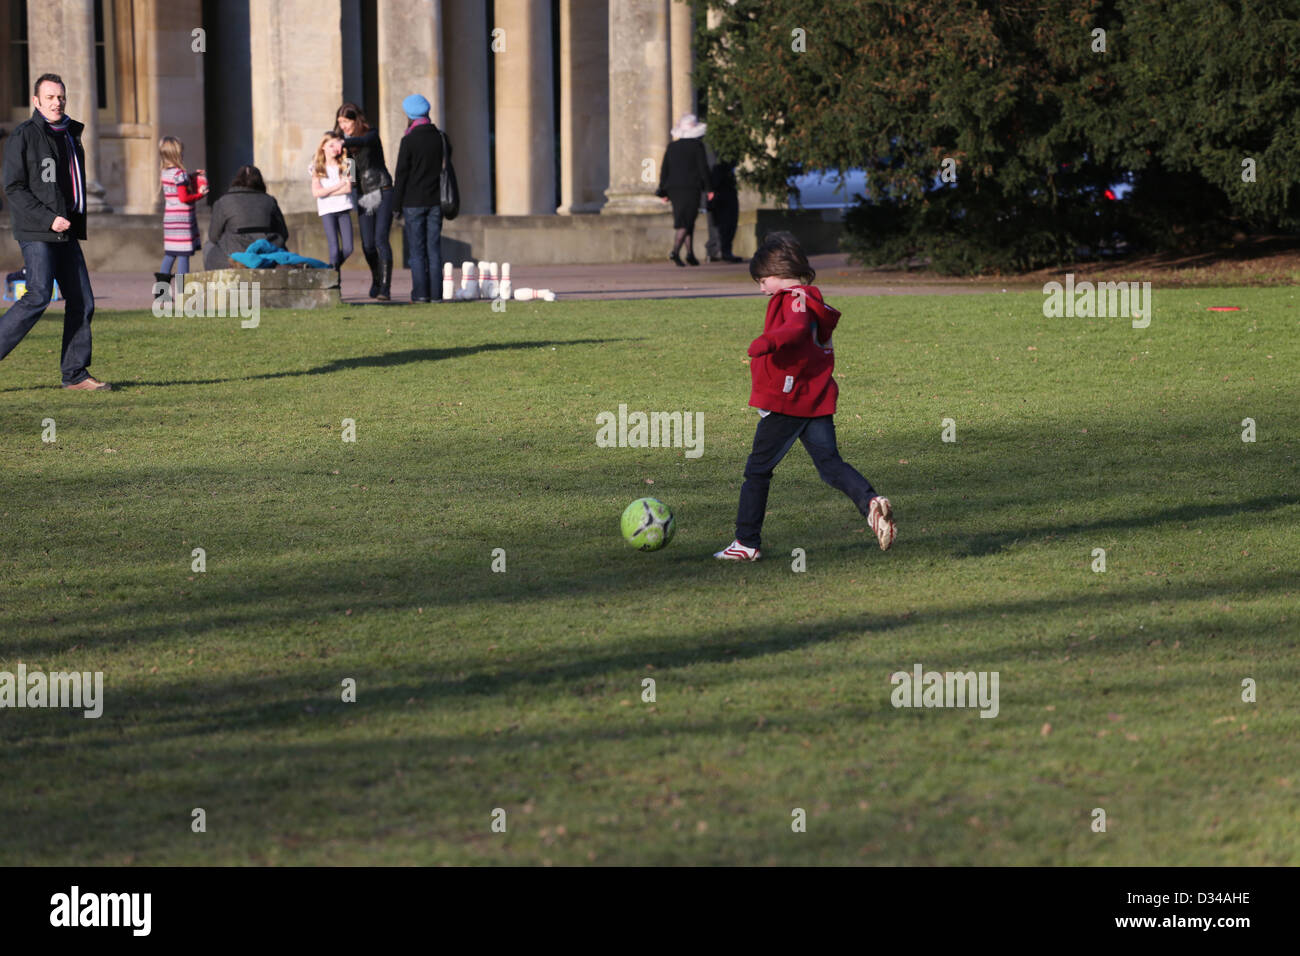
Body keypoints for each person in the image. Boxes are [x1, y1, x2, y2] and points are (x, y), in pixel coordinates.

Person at [714, 232, 895, 560]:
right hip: (814, 398)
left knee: (757, 471)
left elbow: (795, 329)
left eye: (762, 280)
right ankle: (869, 502)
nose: (761, 288)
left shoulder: (794, 300)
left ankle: (746, 543)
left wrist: (767, 342)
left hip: (789, 400)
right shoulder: (811, 298)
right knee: (829, 465)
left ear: (779, 271)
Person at [0, 74, 109, 390]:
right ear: (36, 101)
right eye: (49, 97)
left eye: (60, 96)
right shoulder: (24, 135)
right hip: (38, 231)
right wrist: (48, 218)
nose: (56, 102)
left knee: (83, 301)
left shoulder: (70, 134)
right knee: (37, 296)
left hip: (66, 231)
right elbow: (14, 187)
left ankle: (75, 375)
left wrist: (69, 218)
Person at [334, 103, 394, 300]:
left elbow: (365, 140)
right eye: (340, 122)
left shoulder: (371, 134)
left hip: (382, 189)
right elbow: (351, 177)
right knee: (368, 245)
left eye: (346, 121)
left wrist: (343, 143)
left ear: (355, 120)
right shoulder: (347, 146)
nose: (343, 126)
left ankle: (385, 288)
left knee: (380, 240)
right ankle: (377, 278)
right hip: (364, 196)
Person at [391, 93, 447, 304]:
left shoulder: (409, 140)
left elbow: (401, 174)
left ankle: (421, 293)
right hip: (435, 201)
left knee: (417, 251)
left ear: (410, 114)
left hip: (413, 202)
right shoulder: (440, 137)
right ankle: (436, 294)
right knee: (434, 250)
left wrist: (395, 205)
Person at [203, 165, 290, 270]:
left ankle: (217, 282)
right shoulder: (269, 201)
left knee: (208, 246)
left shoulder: (224, 201)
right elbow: (283, 233)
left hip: (234, 254)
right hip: (265, 254)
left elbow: (214, 236)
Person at [656, 113, 713, 266]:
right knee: (685, 221)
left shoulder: (672, 146)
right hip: (690, 188)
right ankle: (675, 251)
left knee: (686, 220)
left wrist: (663, 191)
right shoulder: (697, 146)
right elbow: (703, 169)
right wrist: (709, 188)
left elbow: (664, 170)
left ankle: (690, 254)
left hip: (674, 190)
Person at [157, 136, 207, 301]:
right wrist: (200, 194)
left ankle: (161, 293)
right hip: (182, 220)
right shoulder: (180, 173)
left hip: (170, 219)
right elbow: (184, 197)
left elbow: (178, 187)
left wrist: (192, 175)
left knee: (170, 254)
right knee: (184, 255)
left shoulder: (166, 173)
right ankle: (182, 293)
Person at [310, 131, 355, 273]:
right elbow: (316, 193)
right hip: (327, 211)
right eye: (331, 145)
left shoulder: (348, 163)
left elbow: (348, 188)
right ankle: (335, 282)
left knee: (348, 248)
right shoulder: (316, 165)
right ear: (323, 146)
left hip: (343, 208)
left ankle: (329, 270)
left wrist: (327, 191)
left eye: (338, 145)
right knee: (334, 248)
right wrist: (339, 184)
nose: (335, 148)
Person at [704, 142, 743, 263]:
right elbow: (719, 165)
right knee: (727, 221)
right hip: (721, 187)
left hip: (714, 187)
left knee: (716, 221)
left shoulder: (707, 142)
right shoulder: (721, 143)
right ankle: (721, 250)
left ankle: (715, 250)